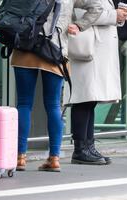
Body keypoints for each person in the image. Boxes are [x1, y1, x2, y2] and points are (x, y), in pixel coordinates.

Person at [13, 0, 103, 172]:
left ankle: (20, 157)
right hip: (54, 50)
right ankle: (54, 158)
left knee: (24, 104)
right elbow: (97, 7)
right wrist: (78, 25)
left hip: (25, 47)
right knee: (53, 105)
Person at [67, 0, 127, 165]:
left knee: (91, 100)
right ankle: (80, 149)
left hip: (98, 50)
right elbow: (81, 14)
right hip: (89, 49)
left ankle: (89, 145)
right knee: (84, 98)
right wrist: (113, 15)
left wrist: (119, 16)